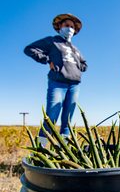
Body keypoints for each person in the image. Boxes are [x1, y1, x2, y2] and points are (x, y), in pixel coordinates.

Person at [24, 13, 87, 147]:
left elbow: (84, 64)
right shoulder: (52, 41)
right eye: (66, 25)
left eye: (72, 26)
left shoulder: (75, 49)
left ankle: (64, 153)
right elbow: (29, 49)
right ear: (60, 26)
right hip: (58, 82)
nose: (69, 28)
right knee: (51, 118)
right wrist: (47, 60)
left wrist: (78, 68)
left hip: (74, 85)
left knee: (67, 121)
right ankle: (41, 152)